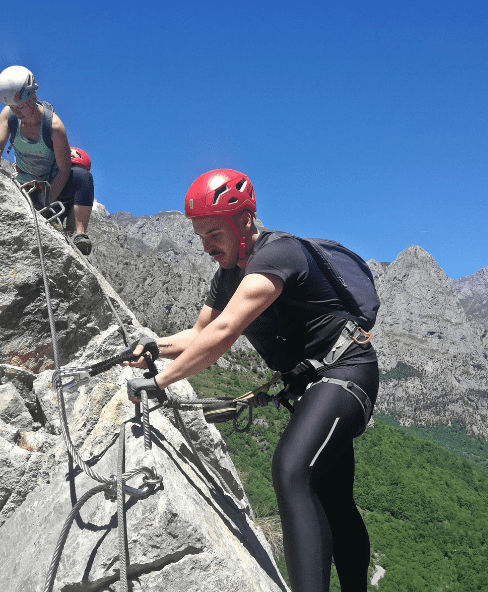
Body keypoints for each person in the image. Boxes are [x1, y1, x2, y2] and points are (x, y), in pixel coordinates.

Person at [125, 169, 379, 592]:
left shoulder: (278, 255)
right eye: (200, 236)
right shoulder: (228, 275)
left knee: (291, 469)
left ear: (244, 220)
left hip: (346, 373)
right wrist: (155, 346)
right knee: (333, 500)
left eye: (214, 233)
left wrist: (160, 382)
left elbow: (223, 335)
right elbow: (201, 332)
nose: (207, 246)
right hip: (315, 386)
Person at [0, 65, 94, 255]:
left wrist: (46, 203)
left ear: (33, 96)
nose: (16, 111)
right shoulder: (8, 116)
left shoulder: (53, 126)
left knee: (82, 177)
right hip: (25, 183)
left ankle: (79, 234)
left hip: (53, 185)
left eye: (20, 106)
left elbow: (64, 169)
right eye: (12, 107)